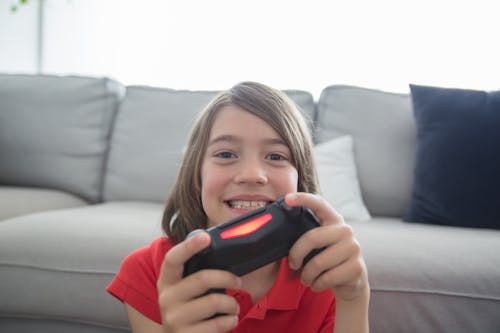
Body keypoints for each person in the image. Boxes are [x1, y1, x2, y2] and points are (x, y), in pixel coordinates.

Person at [107, 81, 370, 333]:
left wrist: (354, 299)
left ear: (301, 180)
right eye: (225, 154)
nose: (252, 174)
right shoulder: (148, 270)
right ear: (196, 176)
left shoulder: (326, 274)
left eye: (276, 156)